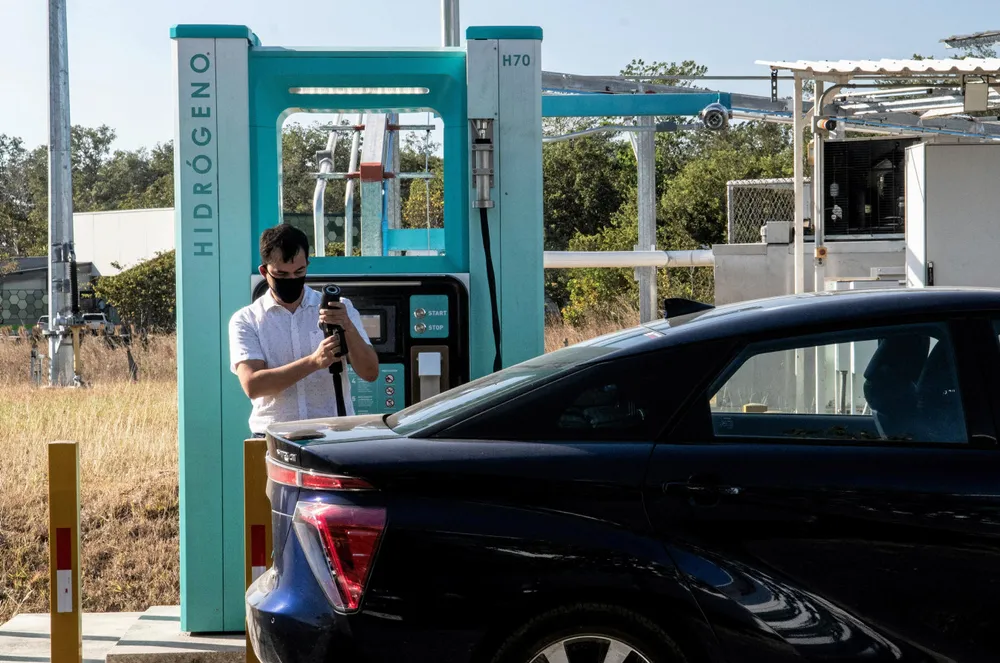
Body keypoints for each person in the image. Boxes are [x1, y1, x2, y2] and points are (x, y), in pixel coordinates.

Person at [229, 224, 379, 436]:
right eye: (282, 274)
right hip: (274, 436)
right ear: (264, 272)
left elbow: (370, 372)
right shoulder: (247, 319)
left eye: (299, 272)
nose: (292, 279)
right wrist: (314, 362)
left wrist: (348, 327)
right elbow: (253, 385)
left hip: (332, 434)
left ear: (307, 265)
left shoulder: (340, 308)